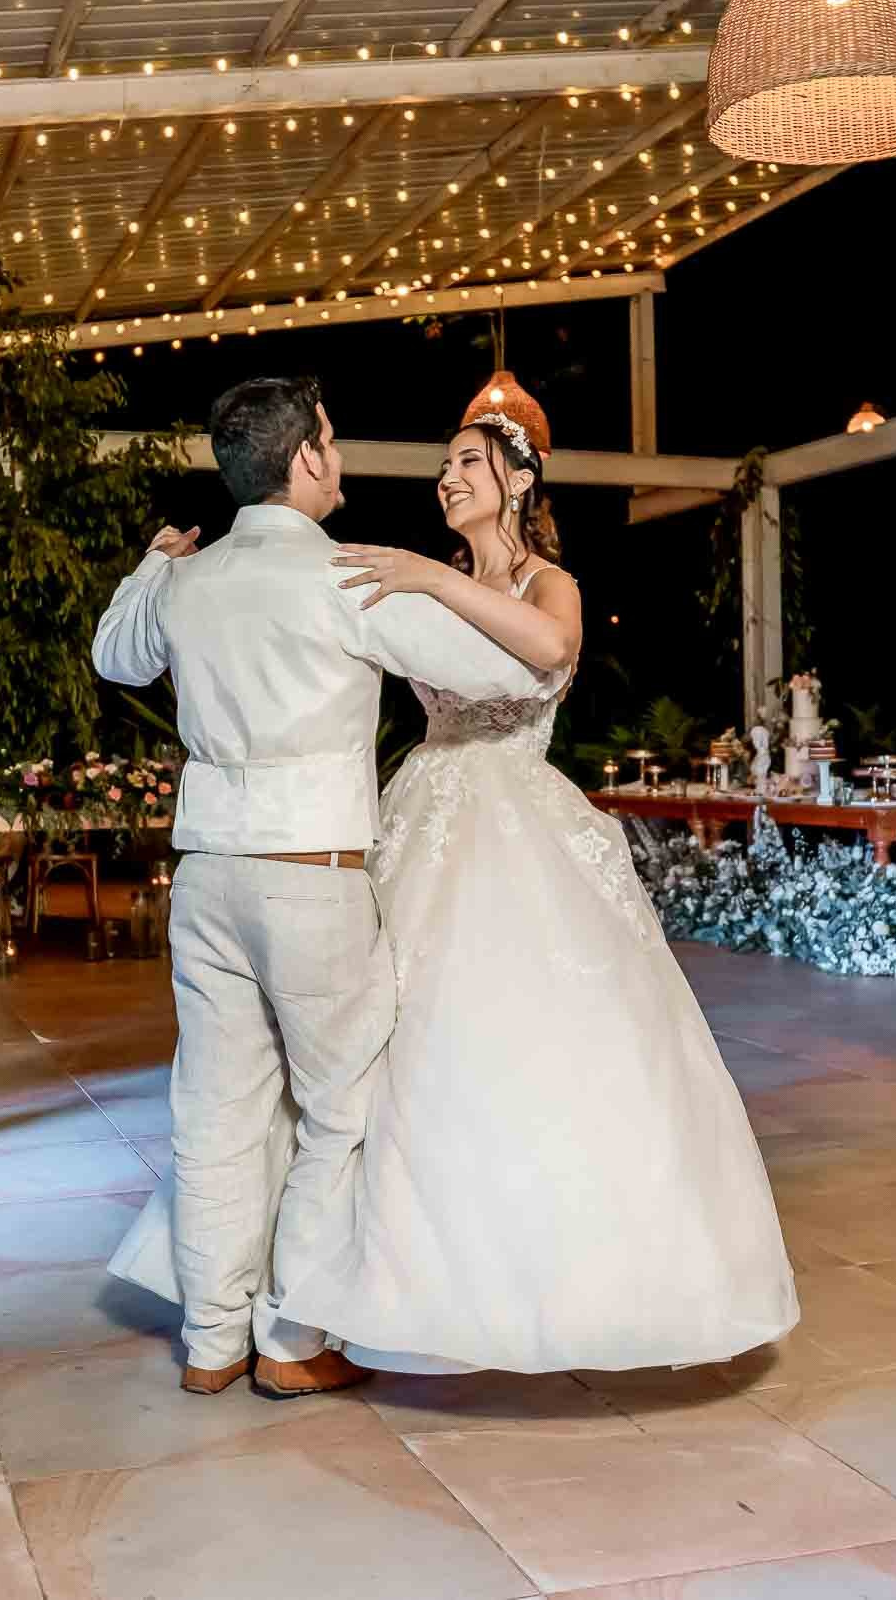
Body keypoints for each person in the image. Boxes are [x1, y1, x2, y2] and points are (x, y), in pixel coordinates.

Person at [90, 375, 553, 1397]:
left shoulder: (188, 579)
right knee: (336, 1108)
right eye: (333, 442)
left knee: (213, 1109)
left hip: (207, 874)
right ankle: (291, 1336)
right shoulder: (344, 576)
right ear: (304, 459)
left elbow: (112, 655)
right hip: (310, 876)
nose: (338, 459)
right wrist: (437, 586)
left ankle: (211, 1339)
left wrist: (149, 566)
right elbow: (512, 675)